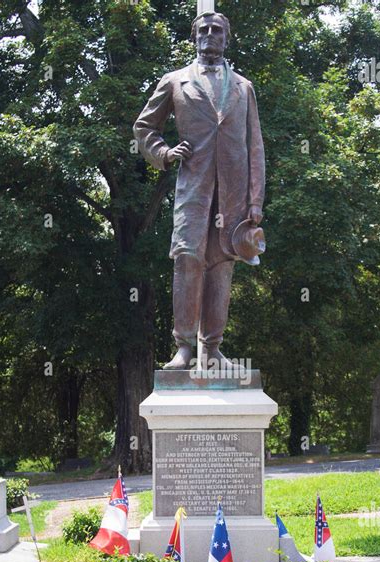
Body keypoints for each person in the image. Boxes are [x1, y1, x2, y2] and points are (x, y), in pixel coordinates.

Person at [133, 11, 265, 370]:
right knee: (188, 259)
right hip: (193, 188)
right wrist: (163, 152)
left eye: (217, 29)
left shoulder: (243, 86)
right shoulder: (175, 82)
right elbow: (144, 127)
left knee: (221, 263)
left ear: (227, 37)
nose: (210, 34)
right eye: (203, 29)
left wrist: (255, 200)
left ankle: (213, 349)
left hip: (234, 195)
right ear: (194, 36)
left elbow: (255, 146)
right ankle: (184, 347)